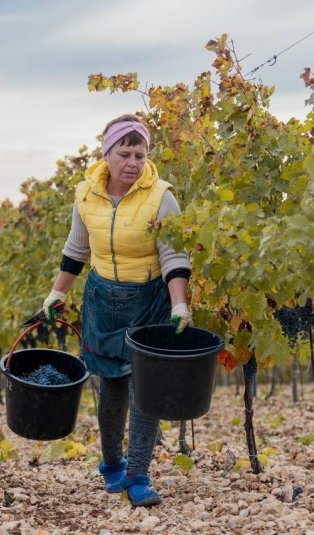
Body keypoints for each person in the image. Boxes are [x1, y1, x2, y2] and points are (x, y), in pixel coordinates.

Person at [40, 114, 192, 507]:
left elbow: (174, 255)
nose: (133, 163)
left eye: (140, 155)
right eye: (124, 153)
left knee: (146, 388)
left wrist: (179, 303)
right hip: (102, 298)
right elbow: (77, 249)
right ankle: (111, 464)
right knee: (111, 384)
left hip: (150, 299)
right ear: (106, 154)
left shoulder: (162, 196)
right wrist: (57, 293)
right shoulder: (85, 194)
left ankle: (138, 474)